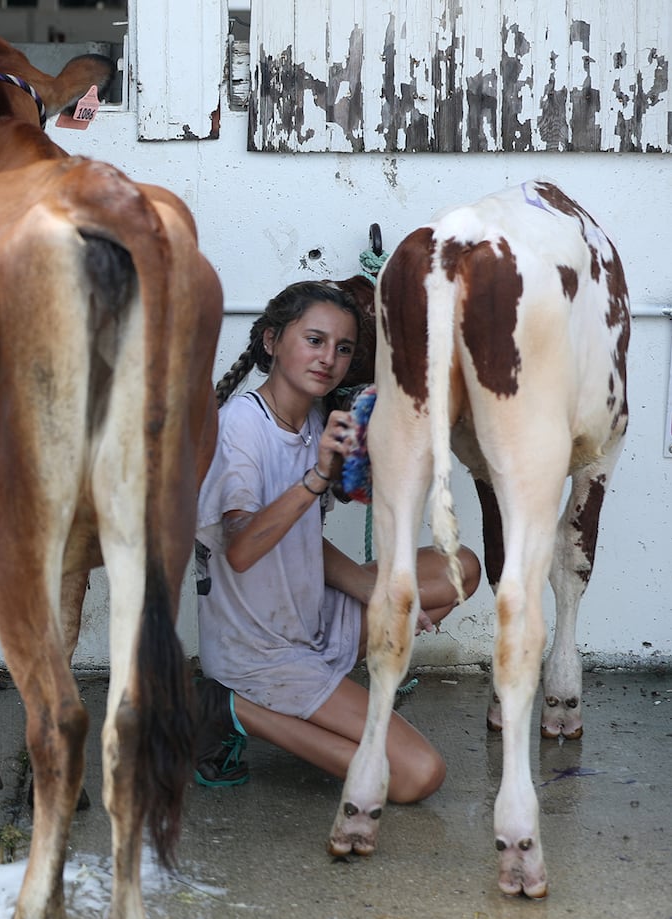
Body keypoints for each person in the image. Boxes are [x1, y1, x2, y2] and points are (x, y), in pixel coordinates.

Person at [192, 280, 480, 802]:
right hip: (258, 651)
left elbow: (304, 543)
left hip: (310, 617)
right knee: (417, 775)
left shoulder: (318, 422)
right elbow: (240, 549)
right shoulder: (237, 430)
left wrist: (383, 595)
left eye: (343, 348)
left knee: (459, 568)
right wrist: (316, 479)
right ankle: (234, 710)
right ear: (271, 341)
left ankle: (319, 694)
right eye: (315, 340)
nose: (329, 359)